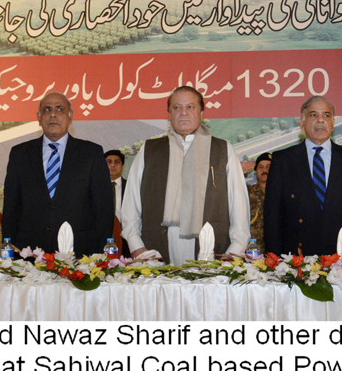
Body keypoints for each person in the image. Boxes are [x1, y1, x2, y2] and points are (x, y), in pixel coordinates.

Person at [119, 87, 249, 262]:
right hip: (156, 248)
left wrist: (235, 249)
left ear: (201, 112)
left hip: (211, 249)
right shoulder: (150, 150)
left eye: (190, 107)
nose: (183, 113)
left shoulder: (222, 149)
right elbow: (131, 202)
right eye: (177, 107)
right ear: (169, 114)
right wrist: (136, 246)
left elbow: (238, 204)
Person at [265, 96, 342, 257]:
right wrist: (274, 261)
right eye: (313, 115)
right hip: (296, 261)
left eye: (326, 115)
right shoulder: (282, 160)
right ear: (301, 122)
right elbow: (273, 216)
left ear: (333, 123)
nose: (320, 120)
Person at [2, 92, 113, 255]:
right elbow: (11, 207)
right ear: (39, 118)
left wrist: (101, 255)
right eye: (47, 110)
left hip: (81, 254)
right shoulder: (20, 154)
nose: (53, 114)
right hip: (28, 253)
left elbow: (103, 209)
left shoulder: (91, 153)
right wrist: (9, 251)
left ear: (70, 117)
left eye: (60, 109)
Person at [247, 152, 273, 252]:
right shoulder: (247, 191)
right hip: (254, 248)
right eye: (261, 167)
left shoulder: (283, 193)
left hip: (277, 248)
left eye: (268, 167)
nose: (265, 170)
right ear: (255, 171)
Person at [106, 149, 126, 214]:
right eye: (109, 162)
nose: (112, 165)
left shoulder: (130, 187)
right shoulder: (95, 188)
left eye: (117, 162)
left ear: (122, 166)